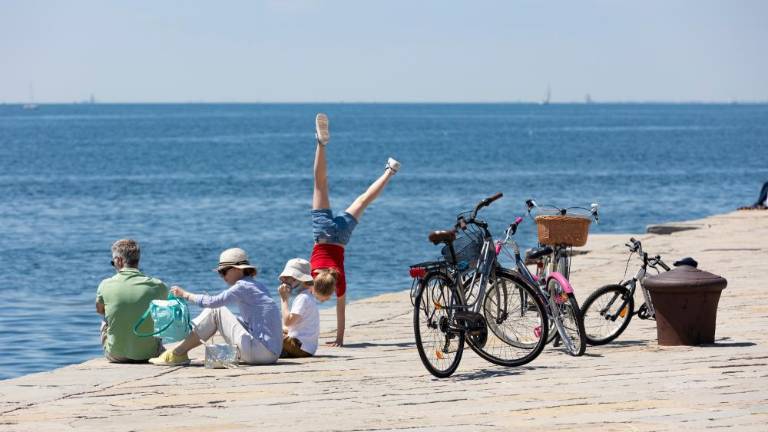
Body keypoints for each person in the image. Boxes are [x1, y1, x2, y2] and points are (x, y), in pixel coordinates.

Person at [310, 113, 400, 347]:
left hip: (341, 236)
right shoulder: (311, 277)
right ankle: (321, 143)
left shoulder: (339, 280)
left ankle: (390, 171)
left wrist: (340, 339)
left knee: (364, 200)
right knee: (320, 183)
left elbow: (341, 312)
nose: (319, 300)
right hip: (321, 234)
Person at [149, 247, 282, 366]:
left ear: (237, 269)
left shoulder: (242, 286)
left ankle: (178, 353)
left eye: (223, 271)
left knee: (216, 310)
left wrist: (185, 294)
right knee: (229, 315)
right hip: (272, 354)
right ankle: (180, 350)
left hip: (260, 353)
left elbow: (214, 302)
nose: (221, 276)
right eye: (220, 272)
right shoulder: (258, 286)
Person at [96, 239, 168, 363]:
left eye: (112, 262)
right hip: (149, 354)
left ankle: (121, 345)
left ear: (118, 260)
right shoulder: (158, 285)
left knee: (104, 317)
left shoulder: (105, 285)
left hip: (115, 355)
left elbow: (100, 311)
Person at [277, 258, 334, 358]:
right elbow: (296, 325)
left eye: (288, 278)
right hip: (306, 347)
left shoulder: (302, 298)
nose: (284, 281)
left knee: (266, 334)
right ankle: (282, 352)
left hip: (299, 346)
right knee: (276, 330)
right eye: (284, 278)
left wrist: (284, 299)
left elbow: (288, 321)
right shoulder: (307, 296)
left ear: (301, 280)